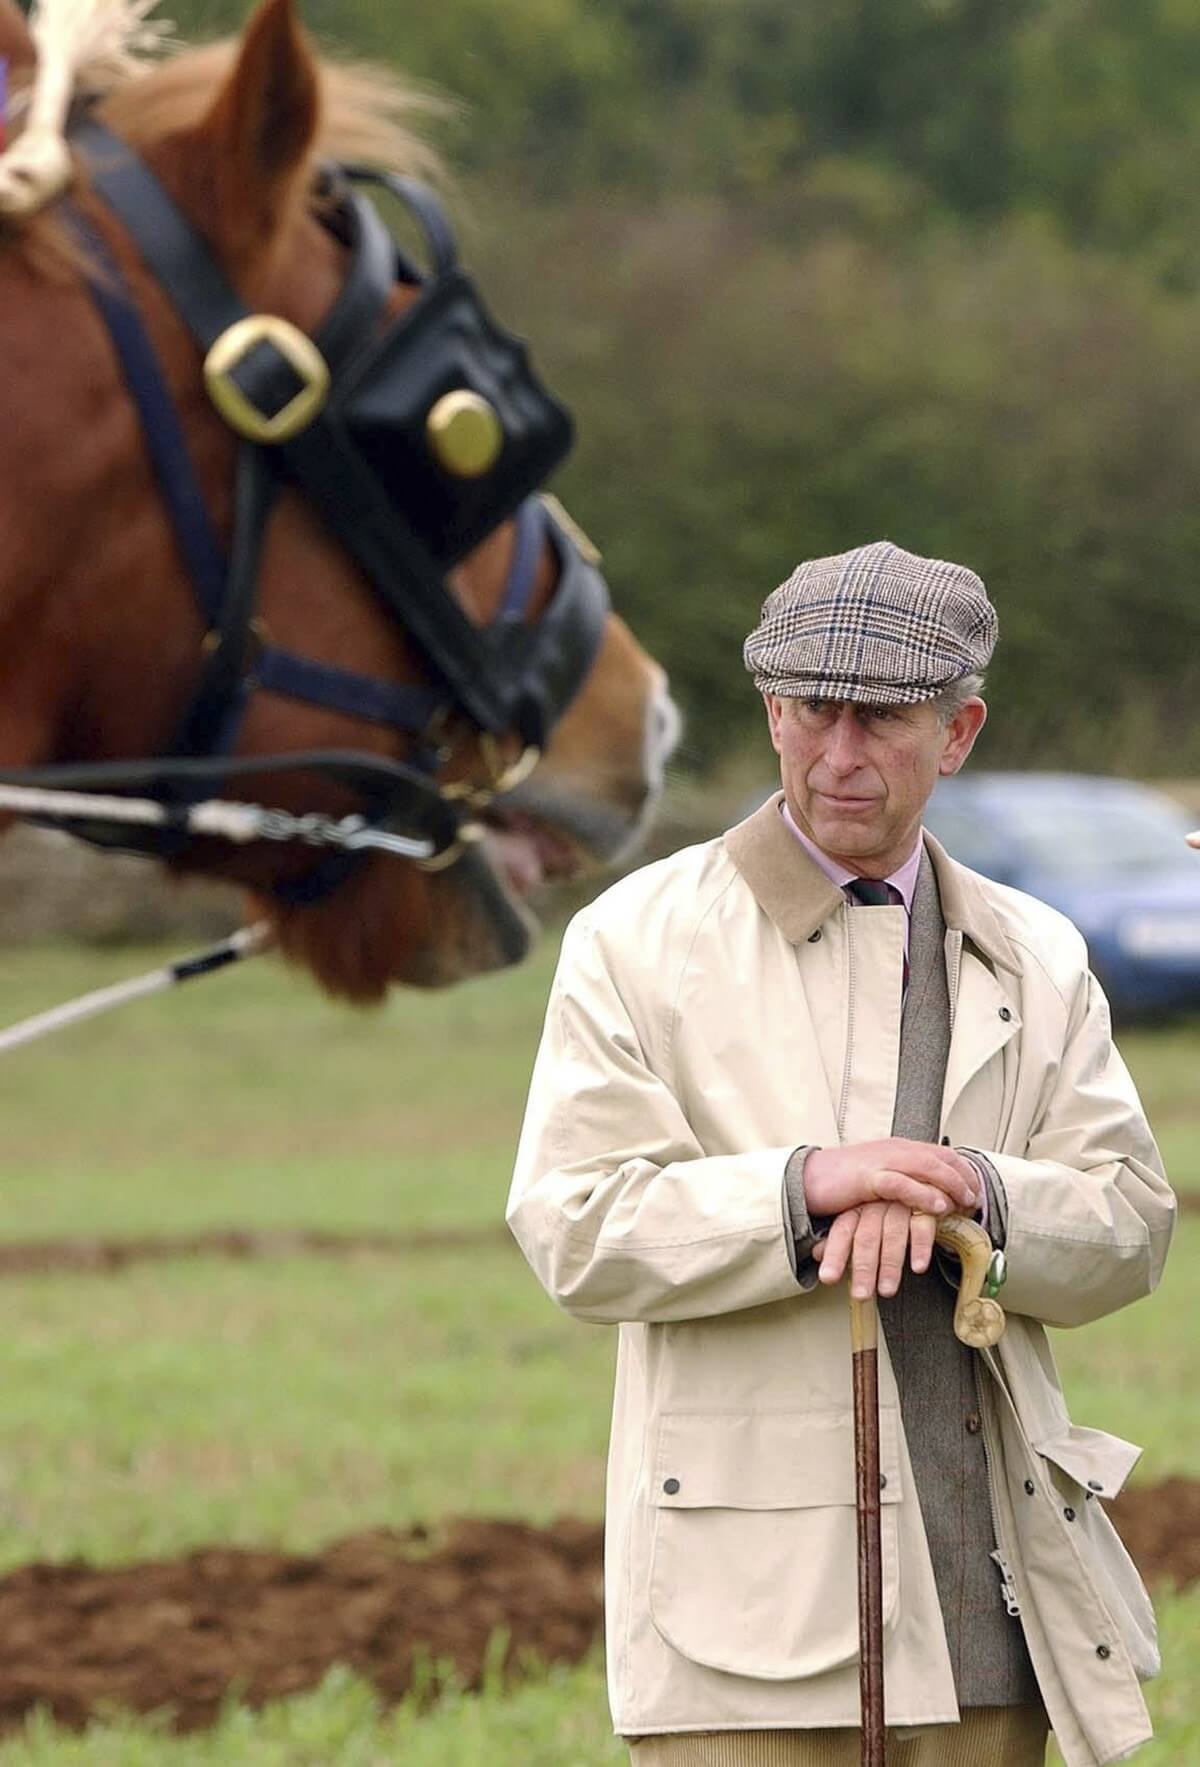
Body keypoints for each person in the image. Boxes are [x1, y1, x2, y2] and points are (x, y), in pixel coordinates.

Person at [507, 540, 1175, 1767]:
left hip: (1004, 1615)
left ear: (959, 732)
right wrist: (806, 1191)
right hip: (745, 1639)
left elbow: (1130, 1228)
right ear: (772, 714)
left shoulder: (1040, 951)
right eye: (813, 712)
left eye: (882, 720)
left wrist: (966, 1189)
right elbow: (575, 1228)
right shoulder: (636, 941)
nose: (840, 753)